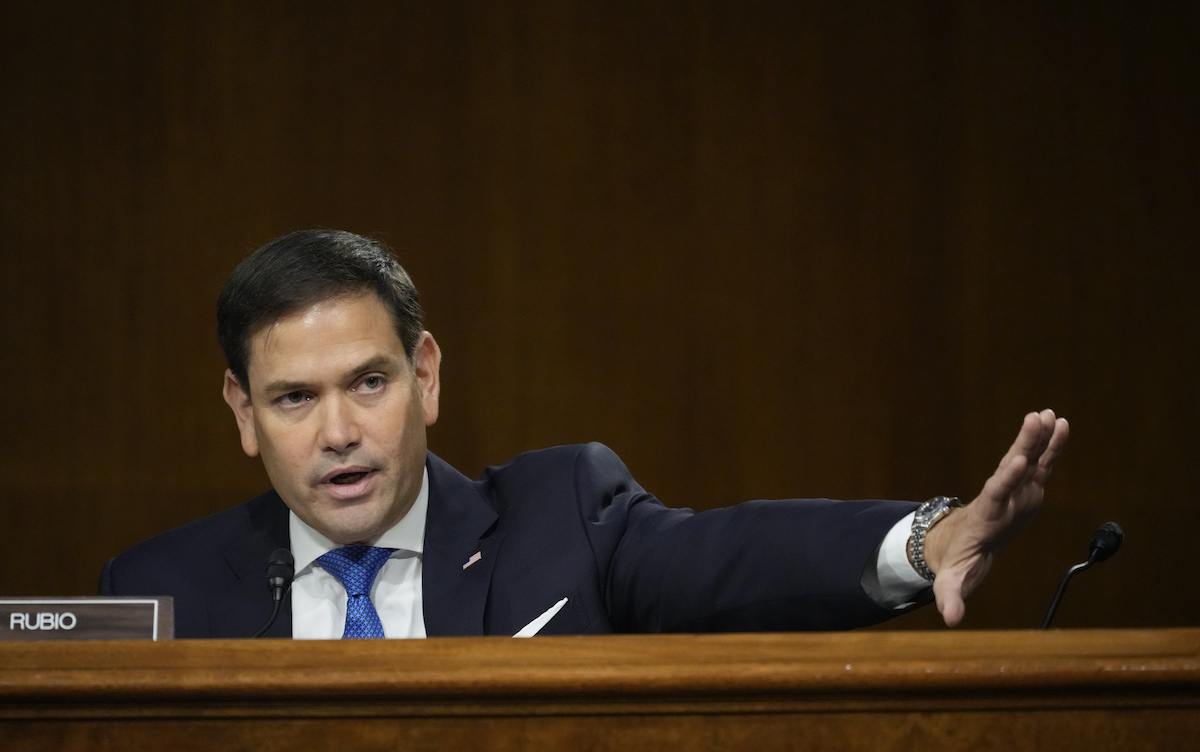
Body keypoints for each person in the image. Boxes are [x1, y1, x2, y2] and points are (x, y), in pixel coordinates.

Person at [98, 230, 1069, 638]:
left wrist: (928, 537)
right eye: (295, 398)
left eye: (370, 381)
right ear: (242, 409)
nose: (341, 431)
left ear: (426, 374)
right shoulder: (161, 593)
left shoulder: (558, 520)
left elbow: (732, 553)